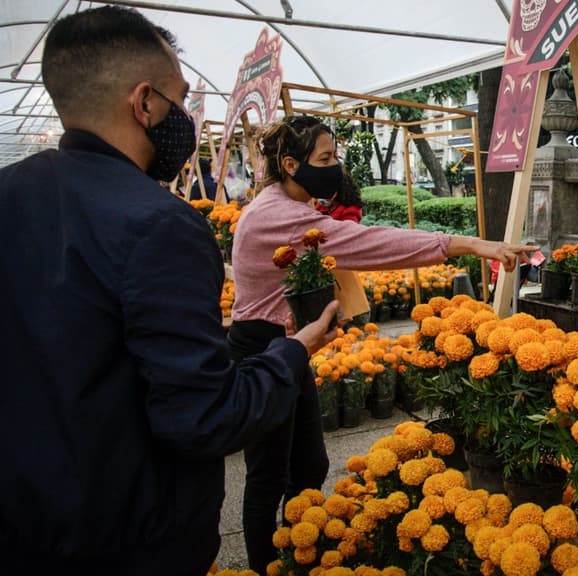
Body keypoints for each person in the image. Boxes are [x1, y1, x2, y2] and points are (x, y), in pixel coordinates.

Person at [0, 7, 339, 574]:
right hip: (123, 538)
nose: (185, 116)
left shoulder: (10, 194)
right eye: (180, 100)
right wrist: (295, 349)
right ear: (145, 102)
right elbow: (203, 417)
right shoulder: (158, 223)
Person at [229, 114, 537, 574]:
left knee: (309, 465)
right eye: (325, 159)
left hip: (286, 345)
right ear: (290, 164)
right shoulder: (281, 216)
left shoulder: (281, 203)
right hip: (262, 347)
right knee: (268, 475)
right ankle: (263, 567)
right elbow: (375, 244)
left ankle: (298, 553)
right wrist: (473, 245)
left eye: (335, 157)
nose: (335, 168)